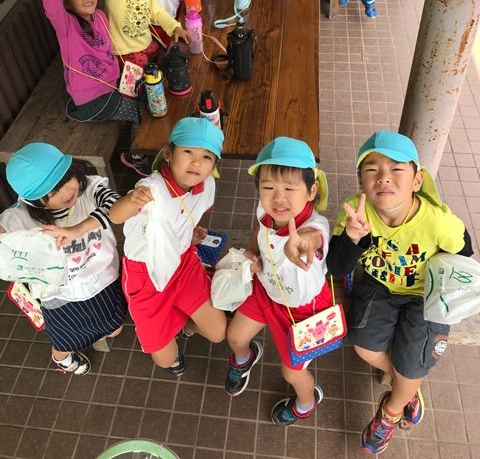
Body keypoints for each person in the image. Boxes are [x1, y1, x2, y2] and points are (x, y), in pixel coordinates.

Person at [327, 130, 472, 455]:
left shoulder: (436, 220)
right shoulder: (356, 211)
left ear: (417, 180)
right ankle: (405, 388)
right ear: (361, 182)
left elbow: (464, 250)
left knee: (413, 363)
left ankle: (390, 412)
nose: (383, 177)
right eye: (371, 169)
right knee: (364, 347)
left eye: (396, 169)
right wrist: (352, 237)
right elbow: (336, 267)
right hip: (378, 285)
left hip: (426, 294)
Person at [224, 137, 331, 426]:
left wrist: (301, 244)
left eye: (289, 188)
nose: (278, 198)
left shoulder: (315, 226)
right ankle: (244, 359)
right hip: (266, 289)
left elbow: (312, 239)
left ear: (312, 190)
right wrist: (251, 252)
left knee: (292, 373)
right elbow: (258, 232)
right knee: (235, 337)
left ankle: (306, 403)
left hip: (302, 310)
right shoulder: (265, 211)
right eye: (268, 187)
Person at [109, 117, 227, 375]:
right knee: (165, 360)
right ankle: (173, 328)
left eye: (207, 157)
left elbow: (184, 215)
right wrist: (131, 200)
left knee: (218, 332)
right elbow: (115, 216)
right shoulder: (152, 188)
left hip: (183, 263)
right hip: (146, 274)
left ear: (214, 165)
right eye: (188, 152)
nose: (196, 162)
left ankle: (183, 325)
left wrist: (187, 235)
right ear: (168, 153)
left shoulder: (206, 185)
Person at [1, 143, 127, 374]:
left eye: (65, 179)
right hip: (60, 297)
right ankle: (62, 359)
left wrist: (79, 229)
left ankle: (95, 335)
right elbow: (4, 230)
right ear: (32, 199)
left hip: (103, 280)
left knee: (114, 327)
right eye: (51, 191)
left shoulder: (90, 188)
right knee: (65, 341)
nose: (66, 191)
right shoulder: (21, 216)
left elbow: (116, 206)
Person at [32, 0, 149, 175]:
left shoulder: (100, 16)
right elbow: (52, 9)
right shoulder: (66, 26)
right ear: (67, 3)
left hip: (111, 86)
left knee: (148, 90)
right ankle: (135, 156)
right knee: (142, 111)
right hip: (92, 100)